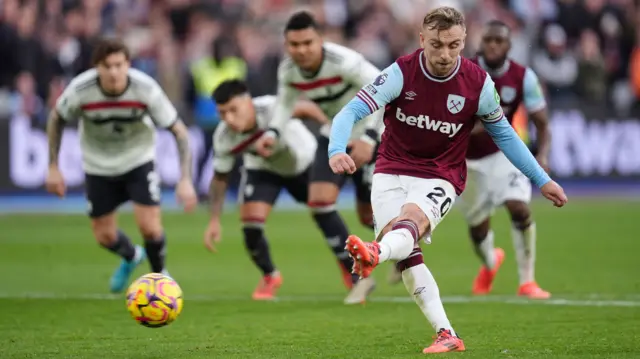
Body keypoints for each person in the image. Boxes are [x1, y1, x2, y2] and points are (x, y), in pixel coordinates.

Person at [328, 7, 567, 354]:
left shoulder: (478, 83)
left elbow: (506, 136)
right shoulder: (400, 72)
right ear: (422, 39)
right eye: (437, 45)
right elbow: (350, 111)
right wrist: (337, 149)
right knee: (406, 254)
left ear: (464, 41)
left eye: (454, 45)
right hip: (390, 170)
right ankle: (446, 333)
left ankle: (374, 254)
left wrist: (542, 179)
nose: (445, 54)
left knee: (408, 225)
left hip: (441, 175)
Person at [45, 38, 197, 293]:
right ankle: (131, 256)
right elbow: (56, 119)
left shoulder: (145, 88)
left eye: (119, 65)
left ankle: (160, 278)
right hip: (98, 165)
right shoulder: (81, 90)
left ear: (128, 64)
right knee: (104, 236)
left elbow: (179, 131)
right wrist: (53, 166)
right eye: (107, 66)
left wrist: (185, 179)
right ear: (97, 68)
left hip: (138, 160)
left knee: (149, 226)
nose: (114, 72)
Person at [253, 11, 383, 301]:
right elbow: (285, 104)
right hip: (335, 133)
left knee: (369, 215)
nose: (300, 50)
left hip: (374, 132)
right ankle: (356, 277)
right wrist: (272, 132)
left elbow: (384, 91)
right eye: (294, 44)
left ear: (320, 40)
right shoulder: (288, 70)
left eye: (307, 43)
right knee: (319, 202)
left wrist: (369, 138)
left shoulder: (345, 62)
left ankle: (406, 248)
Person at [203, 79, 326, 300]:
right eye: (222, 113)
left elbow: (307, 108)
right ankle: (270, 275)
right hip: (263, 169)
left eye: (233, 110)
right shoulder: (223, 137)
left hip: (302, 162)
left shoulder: (271, 108)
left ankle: (351, 268)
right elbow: (220, 178)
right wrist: (214, 220)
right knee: (250, 223)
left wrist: (332, 128)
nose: (228, 119)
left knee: (325, 213)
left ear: (248, 103)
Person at [461, 20, 552, 299]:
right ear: (481, 43)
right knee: (478, 230)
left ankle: (527, 281)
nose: (492, 45)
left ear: (509, 46)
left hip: (502, 154)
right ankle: (491, 262)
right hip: (465, 161)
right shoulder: (463, 71)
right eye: (488, 40)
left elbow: (542, 124)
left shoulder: (523, 77)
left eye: (498, 41)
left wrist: (543, 155)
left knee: (519, 208)